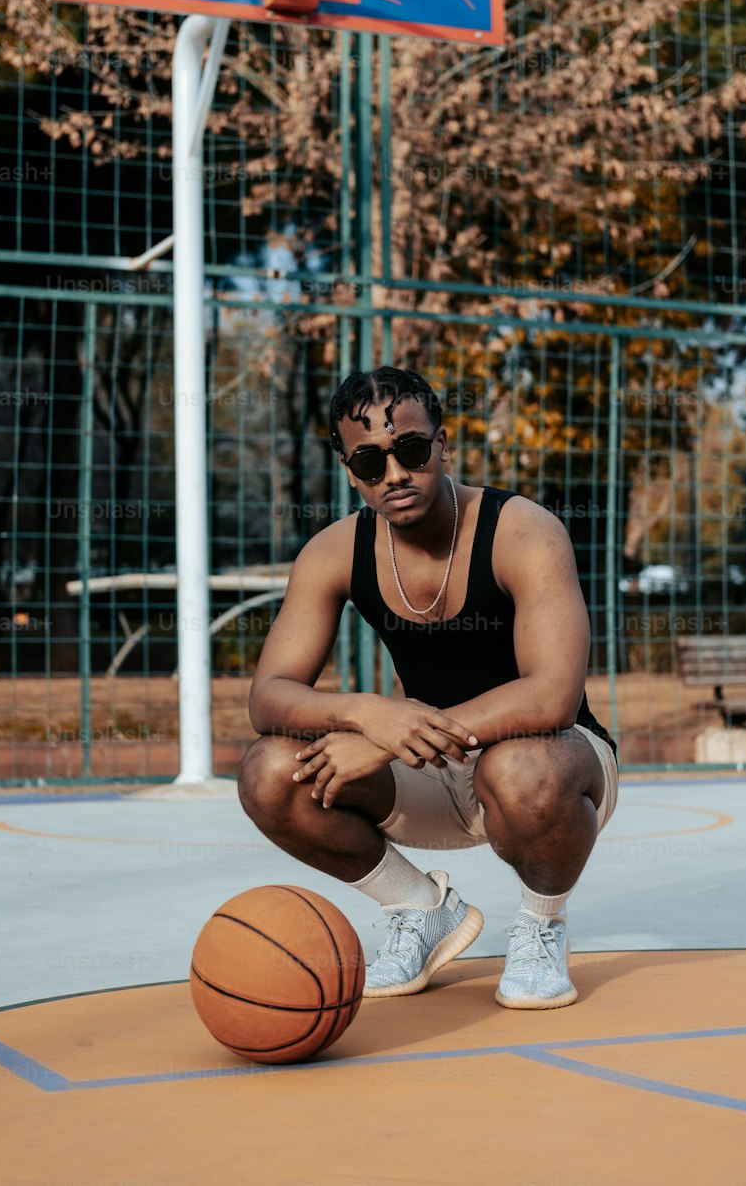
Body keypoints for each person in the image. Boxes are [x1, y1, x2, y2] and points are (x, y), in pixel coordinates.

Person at [237, 366, 618, 1009]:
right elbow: (269, 697)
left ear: (442, 444)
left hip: (551, 762)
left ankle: (539, 925)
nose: (394, 475)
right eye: (368, 462)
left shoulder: (522, 530)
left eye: (410, 450)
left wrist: (394, 737)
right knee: (272, 772)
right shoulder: (334, 552)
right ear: (347, 467)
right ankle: (421, 908)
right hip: (432, 766)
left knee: (523, 765)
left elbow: (551, 696)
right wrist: (367, 716)